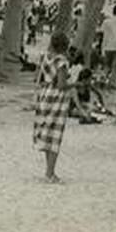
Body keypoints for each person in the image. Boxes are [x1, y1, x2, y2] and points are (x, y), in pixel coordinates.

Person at [32, 31, 73, 181]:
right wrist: (76, 84)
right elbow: (62, 85)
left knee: (47, 133)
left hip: (44, 96)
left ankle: (48, 171)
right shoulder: (61, 61)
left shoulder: (45, 57)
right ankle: (50, 173)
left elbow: (37, 78)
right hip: (57, 100)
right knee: (55, 135)